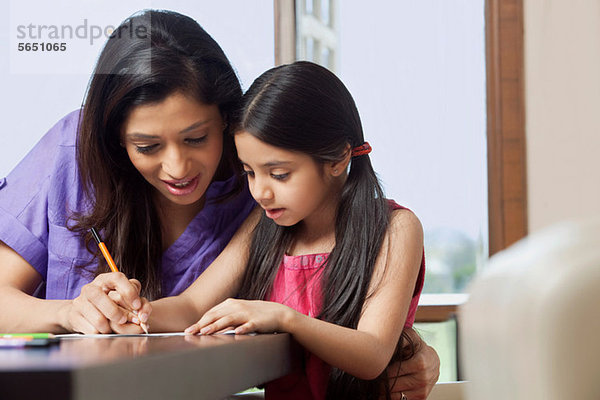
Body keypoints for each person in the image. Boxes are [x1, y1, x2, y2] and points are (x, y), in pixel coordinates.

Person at [0, 10, 439, 398]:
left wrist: (407, 345)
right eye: (147, 145)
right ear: (115, 139)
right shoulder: (75, 153)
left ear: (228, 122)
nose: (176, 167)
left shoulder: (266, 197)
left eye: (196, 138)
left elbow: (360, 330)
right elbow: (192, 306)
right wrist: (98, 312)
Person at [145, 61, 426, 400]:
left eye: (278, 174)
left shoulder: (395, 229)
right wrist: (136, 310)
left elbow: (372, 354)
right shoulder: (264, 227)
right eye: (249, 172)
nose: (260, 192)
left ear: (337, 158)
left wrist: (284, 318)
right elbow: (191, 306)